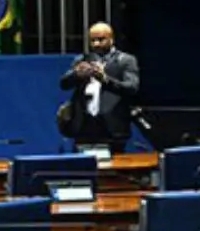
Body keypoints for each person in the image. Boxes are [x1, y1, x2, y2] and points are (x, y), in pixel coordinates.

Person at [59, 22, 141, 151]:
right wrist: (77, 75)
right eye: (92, 40)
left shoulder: (125, 60)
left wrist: (105, 80)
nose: (96, 44)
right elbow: (63, 84)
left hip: (112, 127)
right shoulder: (82, 60)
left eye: (101, 39)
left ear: (111, 39)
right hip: (83, 127)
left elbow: (131, 87)